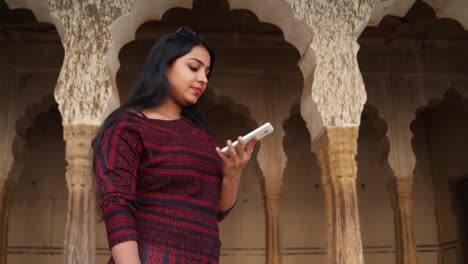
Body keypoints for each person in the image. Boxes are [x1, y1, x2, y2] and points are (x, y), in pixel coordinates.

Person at [92, 26, 256, 264]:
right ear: (164, 65)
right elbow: (116, 206)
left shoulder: (199, 135)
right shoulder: (127, 127)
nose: (203, 79)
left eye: (207, 72)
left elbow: (214, 212)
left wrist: (233, 174)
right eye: (193, 67)